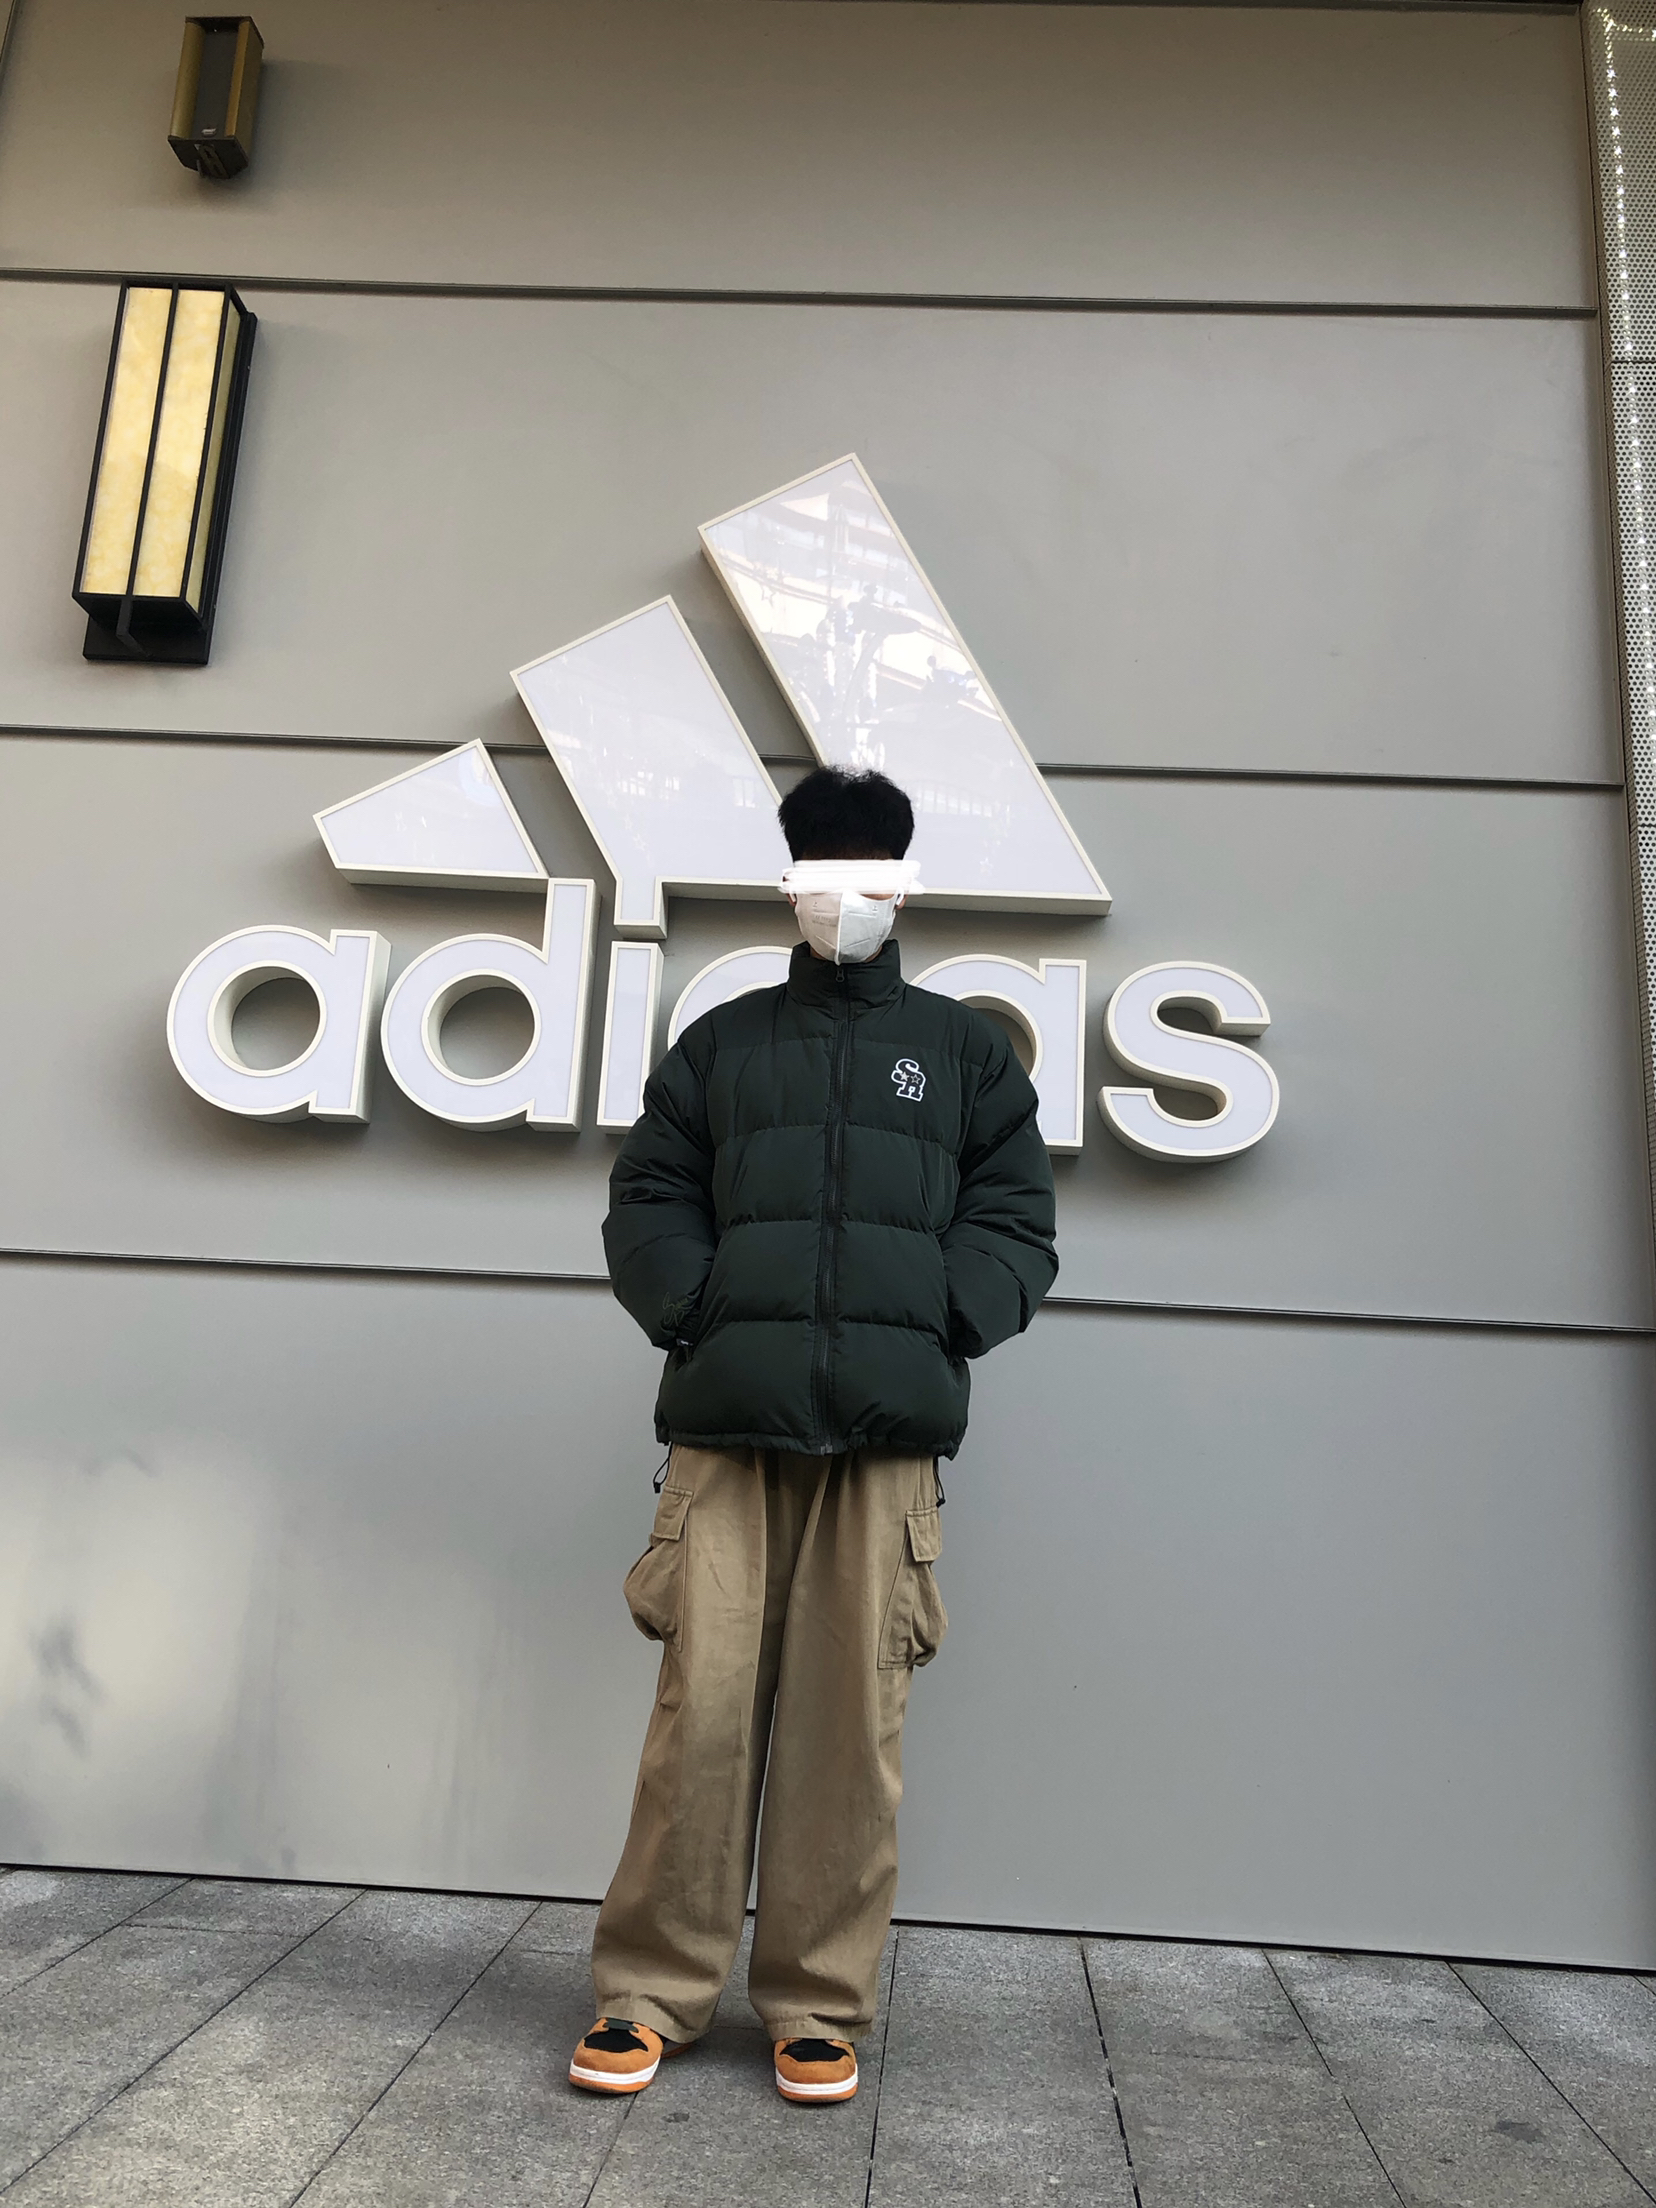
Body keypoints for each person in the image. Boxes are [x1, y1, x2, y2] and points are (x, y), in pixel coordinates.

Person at [568, 764, 1058, 2106]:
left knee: (853, 1731)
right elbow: (650, 1196)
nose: (847, 898)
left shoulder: (964, 1054)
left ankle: (817, 2005)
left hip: (885, 1450)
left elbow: (1017, 1221)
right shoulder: (723, 1046)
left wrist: (939, 1320)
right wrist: (700, 1310)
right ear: (791, 887)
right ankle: (649, 1993)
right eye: (824, 872)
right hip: (729, 1435)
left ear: (905, 887)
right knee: (700, 1722)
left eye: (869, 874)